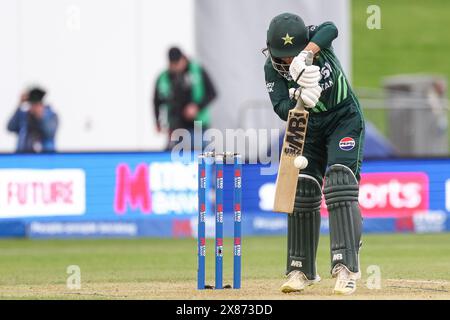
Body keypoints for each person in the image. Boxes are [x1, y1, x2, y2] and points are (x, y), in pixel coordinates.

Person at [264, 13, 365, 295]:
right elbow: (280, 106)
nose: (285, 62)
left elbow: (331, 28)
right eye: (281, 56)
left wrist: (306, 55)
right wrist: (299, 99)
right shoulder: (270, 69)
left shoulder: (315, 40)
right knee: (302, 189)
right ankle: (300, 270)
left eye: (290, 56)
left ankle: (346, 268)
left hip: (343, 118)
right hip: (305, 125)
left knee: (339, 181)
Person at [153, 47, 217, 151]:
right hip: (177, 126)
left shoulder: (197, 71)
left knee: (202, 157)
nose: (175, 67)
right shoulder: (164, 77)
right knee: (177, 158)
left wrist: (197, 107)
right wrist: (157, 121)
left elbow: (212, 93)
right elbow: (157, 101)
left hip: (198, 126)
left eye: (177, 63)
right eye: (172, 64)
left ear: (183, 59)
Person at [7, 87, 58, 153]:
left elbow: (49, 133)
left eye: (37, 104)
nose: (34, 107)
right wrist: (19, 105)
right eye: (32, 104)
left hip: (46, 156)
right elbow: (10, 127)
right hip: (23, 156)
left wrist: (40, 116)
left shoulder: (51, 116)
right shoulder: (24, 116)